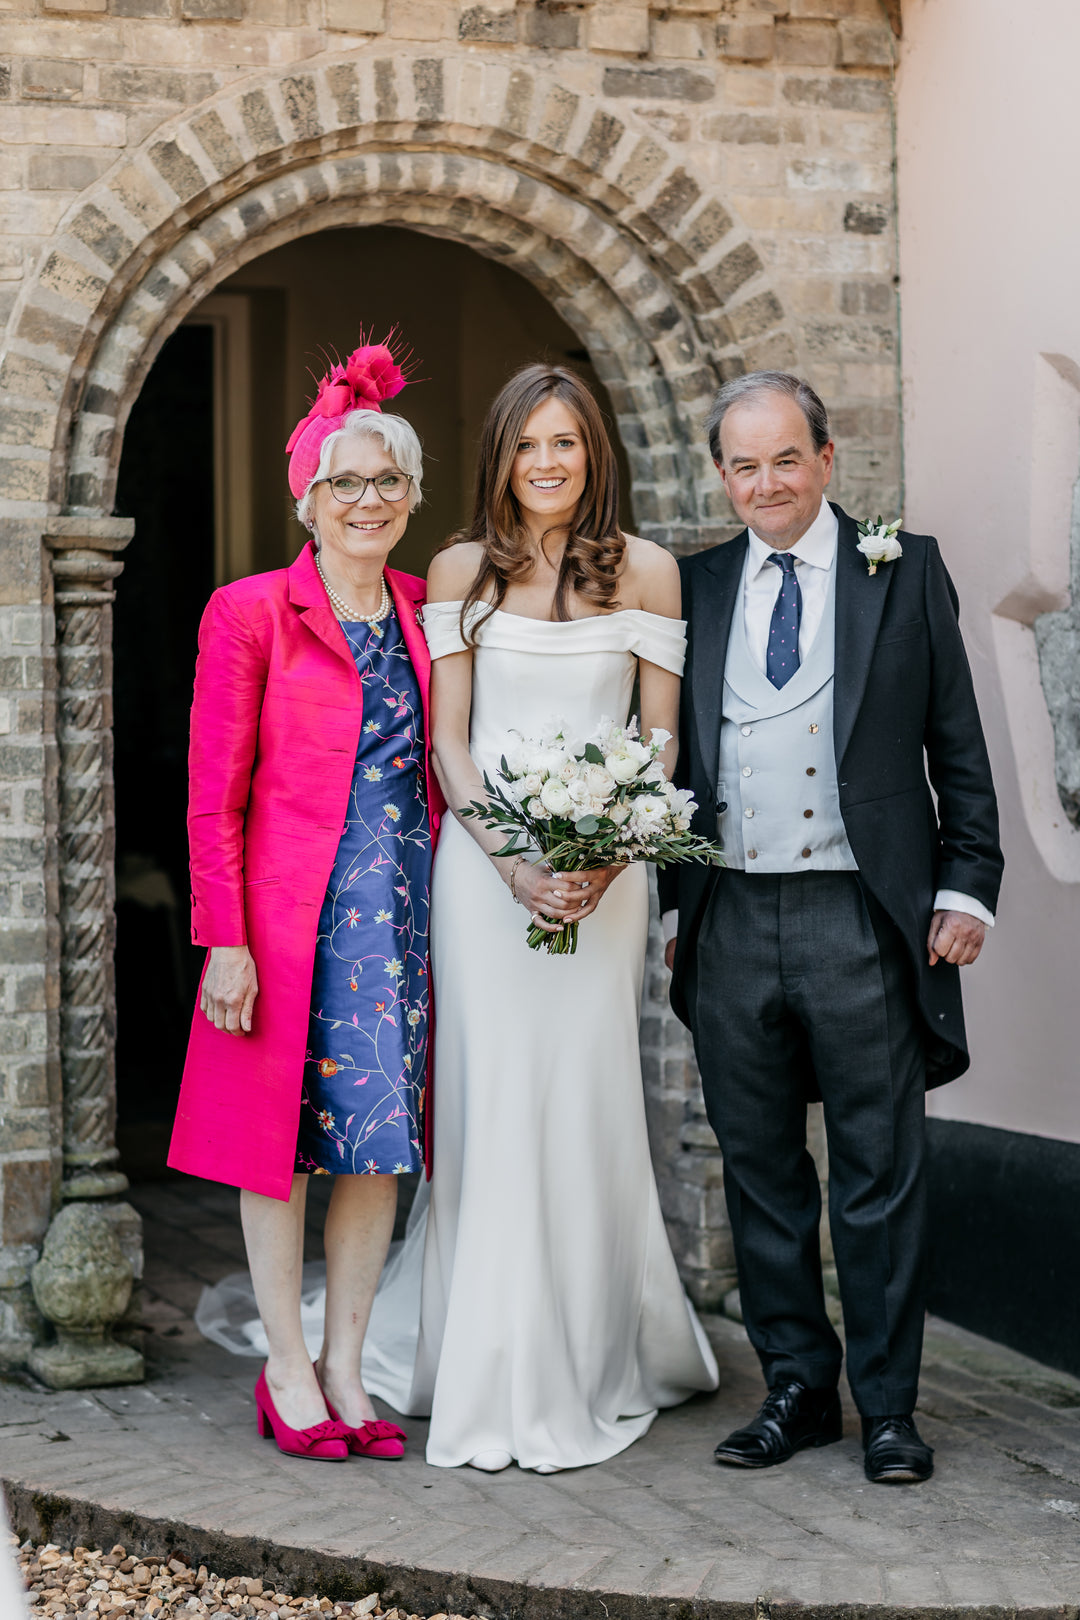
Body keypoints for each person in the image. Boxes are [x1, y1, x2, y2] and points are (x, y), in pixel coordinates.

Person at [361, 362, 718, 1472]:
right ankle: (487, 1352)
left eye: (566, 442)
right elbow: (451, 744)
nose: (549, 463)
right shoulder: (461, 568)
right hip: (487, 879)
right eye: (528, 445)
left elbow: (659, 741)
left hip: (608, 883)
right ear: (501, 458)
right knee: (492, 1100)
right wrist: (516, 865)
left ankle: (597, 1343)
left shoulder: (652, 573)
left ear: (593, 453)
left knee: (586, 1097)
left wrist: (614, 852)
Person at [658, 371, 1003, 1485]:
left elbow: (958, 746)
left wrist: (967, 885)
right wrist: (669, 903)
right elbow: (661, 758)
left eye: (785, 460)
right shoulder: (696, 586)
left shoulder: (903, 570)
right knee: (759, 1172)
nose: (766, 483)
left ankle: (892, 1408)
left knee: (878, 1171)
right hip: (730, 913)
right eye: (744, 465)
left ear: (826, 456)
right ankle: (798, 1391)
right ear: (722, 474)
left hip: (861, 913)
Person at [168, 339, 443, 1462]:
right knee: (271, 1144)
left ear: (413, 498)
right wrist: (222, 937)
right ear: (308, 496)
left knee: (378, 1148)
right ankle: (285, 1366)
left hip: (403, 919)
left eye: (387, 482)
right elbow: (213, 791)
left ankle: (345, 1363)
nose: (367, 500)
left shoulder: (434, 607)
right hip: (287, 922)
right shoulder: (249, 613)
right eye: (346, 482)